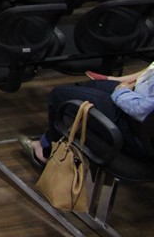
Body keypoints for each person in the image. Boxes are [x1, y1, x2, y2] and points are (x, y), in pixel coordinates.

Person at [20, 62, 154, 168]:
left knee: (59, 95)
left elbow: (142, 110)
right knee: (93, 85)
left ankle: (47, 153)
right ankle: (52, 140)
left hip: (139, 129)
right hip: (141, 98)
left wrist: (122, 91)